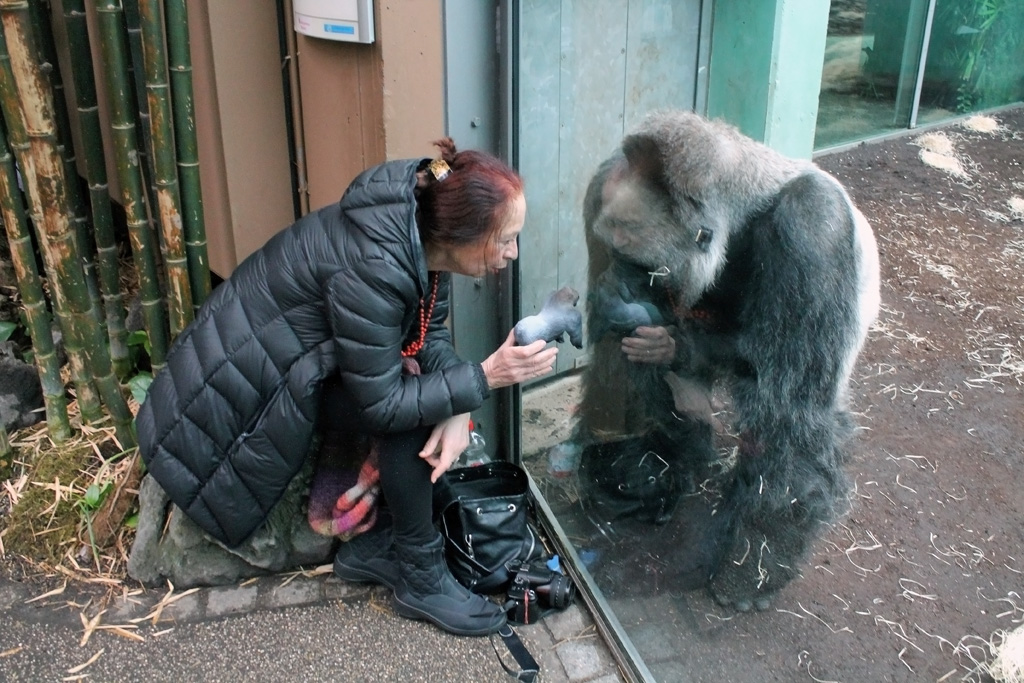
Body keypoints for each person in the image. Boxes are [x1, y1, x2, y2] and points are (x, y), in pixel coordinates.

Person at [136, 138, 558, 637]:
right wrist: (484, 377)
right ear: (462, 234)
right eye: (505, 239)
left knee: (425, 393)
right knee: (411, 410)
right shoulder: (376, 265)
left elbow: (429, 335)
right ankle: (421, 578)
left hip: (281, 374)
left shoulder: (416, 236)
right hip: (231, 409)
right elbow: (383, 406)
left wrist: (459, 404)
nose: (512, 253)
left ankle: (380, 548)